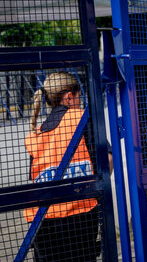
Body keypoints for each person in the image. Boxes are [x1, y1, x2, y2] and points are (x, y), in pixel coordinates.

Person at [24, 71, 101, 261]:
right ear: (69, 97)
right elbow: (104, 162)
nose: (80, 101)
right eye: (78, 96)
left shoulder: (36, 134)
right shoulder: (81, 118)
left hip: (43, 223)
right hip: (79, 219)